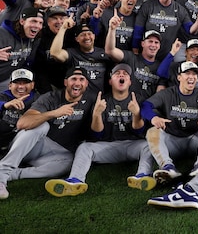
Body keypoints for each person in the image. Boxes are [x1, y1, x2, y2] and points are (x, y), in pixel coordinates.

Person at [44, 64, 156, 197]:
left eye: (125, 74)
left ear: (130, 81)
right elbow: (97, 135)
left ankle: (142, 176)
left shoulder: (138, 99)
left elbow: (139, 132)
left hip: (132, 146)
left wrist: (136, 114)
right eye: (117, 73)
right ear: (110, 81)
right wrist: (97, 114)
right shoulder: (102, 101)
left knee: (149, 145)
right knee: (85, 147)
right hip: (108, 146)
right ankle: (75, 180)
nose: (121, 75)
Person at [0, 67, 95, 199]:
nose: (77, 83)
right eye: (73, 79)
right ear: (66, 82)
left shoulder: (91, 99)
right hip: (31, 144)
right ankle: (2, 175)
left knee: (68, 162)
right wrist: (54, 113)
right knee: (41, 126)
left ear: (86, 84)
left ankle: (14, 174)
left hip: (51, 151)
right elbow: (22, 123)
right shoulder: (50, 98)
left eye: (81, 79)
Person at [141, 62, 198, 184]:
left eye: (194, 74)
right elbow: (145, 105)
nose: (191, 77)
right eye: (187, 73)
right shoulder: (168, 94)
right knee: (152, 131)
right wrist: (154, 118)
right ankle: (167, 167)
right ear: (179, 77)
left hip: (193, 140)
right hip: (172, 141)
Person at [132, 0, 198, 61]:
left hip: (167, 56)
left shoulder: (180, 10)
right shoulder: (148, 5)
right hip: (146, 54)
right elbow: (138, 30)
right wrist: (135, 50)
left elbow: (191, 30)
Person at [105, 11, 162, 103]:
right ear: (142, 44)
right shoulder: (131, 57)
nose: (153, 45)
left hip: (146, 108)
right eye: (150, 41)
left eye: (156, 42)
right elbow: (110, 51)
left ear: (159, 46)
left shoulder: (160, 67)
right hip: (127, 106)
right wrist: (112, 29)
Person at [50, 19, 112, 96]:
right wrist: (63, 28)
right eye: (82, 35)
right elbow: (55, 53)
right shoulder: (72, 53)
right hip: (77, 99)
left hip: (99, 99)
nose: (87, 37)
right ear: (77, 39)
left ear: (94, 36)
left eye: (89, 34)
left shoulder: (104, 53)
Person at [0, 7, 44, 89]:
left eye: (40, 23)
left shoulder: (35, 39)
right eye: (33, 21)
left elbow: (29, 61)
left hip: (8, 80)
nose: (37, 26)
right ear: (22, 21)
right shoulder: (2, 33)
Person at [0, 69, 39, 154]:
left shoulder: (39, 99)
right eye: (17, 82)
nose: (21, 86)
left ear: (32, 85)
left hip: (24, 144)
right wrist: (4, 105)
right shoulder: (3, 96)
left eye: (25, 82)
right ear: (10, 85)